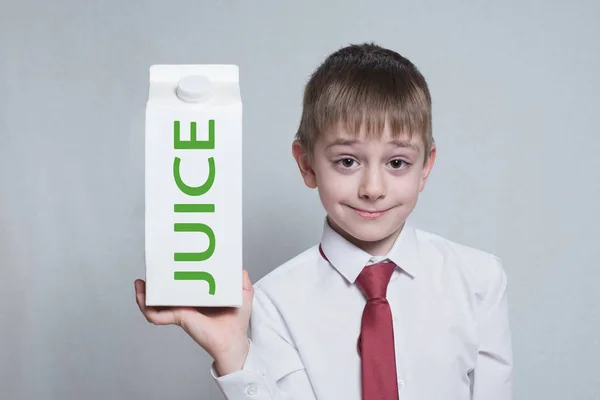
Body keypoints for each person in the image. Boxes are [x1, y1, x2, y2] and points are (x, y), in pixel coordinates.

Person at [135, 42, 513, 400]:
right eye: (348, 161)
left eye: (397, 162)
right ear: (307, 163)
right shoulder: (274, 301)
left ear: (426, 166)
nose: (373, 188)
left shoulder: (479, 280)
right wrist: (232, 351)